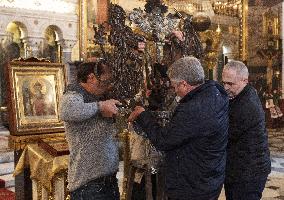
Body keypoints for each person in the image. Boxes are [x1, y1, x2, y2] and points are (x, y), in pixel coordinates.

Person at [128, 56, 229, 200]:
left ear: (184, 84)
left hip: (192, 186)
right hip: (209, 178)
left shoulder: (193, 109)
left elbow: (164, 140)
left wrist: (143, 115)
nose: (174, 91)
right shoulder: (215, 92)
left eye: (175, 86)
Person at [59, 61, 121, 200]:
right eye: (105, 81)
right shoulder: (74, 94)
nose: (107, 86)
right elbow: (67, 111)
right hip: (88, 186)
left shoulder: (99, 96)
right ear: (91, 77)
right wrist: (100, 106)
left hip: (109, 181)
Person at [222, 60, 271, 200]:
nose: (225, 87)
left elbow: (225, 134)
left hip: (249, 173)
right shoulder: (242, 94)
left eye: (230, 83)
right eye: (224, 82)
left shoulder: (247, 104)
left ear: (244, 80)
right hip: (239, 169)